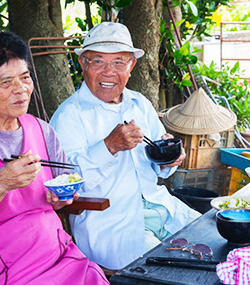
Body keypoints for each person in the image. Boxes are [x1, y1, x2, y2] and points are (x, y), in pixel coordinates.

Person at [50, 22, 201, 270]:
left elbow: (160, 168)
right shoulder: (69, 116)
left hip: (161, 206)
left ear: (131, 66)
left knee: (215, 240)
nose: (109, 72)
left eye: (119, 62)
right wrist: (108, 146)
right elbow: (67, 186)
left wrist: (169, 159)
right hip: (111, 222)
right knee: (171, 271)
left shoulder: (139, 104)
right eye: (98, 62)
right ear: (83, 64)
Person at [0, 30, 108, 284]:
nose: (21, 90)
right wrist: (1, 184)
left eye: (25, 77)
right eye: (6, 83)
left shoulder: (41, 129)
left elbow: (63, 193)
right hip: (1, 271)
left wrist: (62, 197)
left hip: (58, 256)